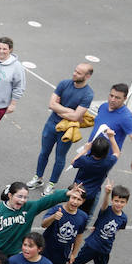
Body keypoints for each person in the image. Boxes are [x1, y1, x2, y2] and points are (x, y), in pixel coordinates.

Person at [52, 183, 129, 264]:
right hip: (91, 246)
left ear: (126, 203)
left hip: (105, 249)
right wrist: (107, 193)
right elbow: (104, 205)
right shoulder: (106, 210)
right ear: (112, 200)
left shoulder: (124, 218)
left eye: (122, 202)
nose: (119, 204)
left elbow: (117, 230)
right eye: (116, 200)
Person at [27, 63, 94, 193]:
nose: (75, 73)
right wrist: (69, 111)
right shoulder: (64, 83)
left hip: (67, 129)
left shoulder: (88, 94)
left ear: (87, 76)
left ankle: (52, 183)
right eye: (75, 70)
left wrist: (60, 110)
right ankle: (38, 177)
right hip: (51, 124)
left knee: (60, 157)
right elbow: (51, 104)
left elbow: (76, 117)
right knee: (44, 152)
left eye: (79, 73)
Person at [90, 83, 132, 175]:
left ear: (125, 99)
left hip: (105, 158)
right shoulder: (103, 106)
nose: (112, 100)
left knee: (90, 184)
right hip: (91, 150)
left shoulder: (126, 117)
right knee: (80, 180)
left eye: (117, 98)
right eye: (111, 95)